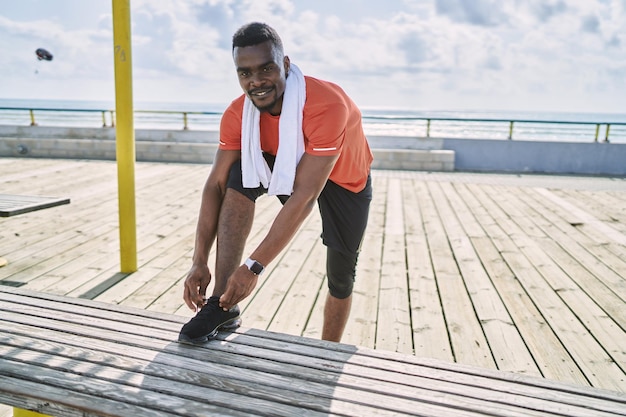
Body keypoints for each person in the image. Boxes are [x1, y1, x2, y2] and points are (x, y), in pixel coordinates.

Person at [178, 22, 373, 344]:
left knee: (341, 275)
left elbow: (305, 195)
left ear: (285, 64)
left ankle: (326, 352)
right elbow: (215, 185)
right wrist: (199, 260)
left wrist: (253, 266)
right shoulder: (237, 113)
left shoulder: (327, 105)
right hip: (280, 164)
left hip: (344, 180)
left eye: (266, 68)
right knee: (238, 175)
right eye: (245, 73)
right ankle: (221, 305)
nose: (256, 81)